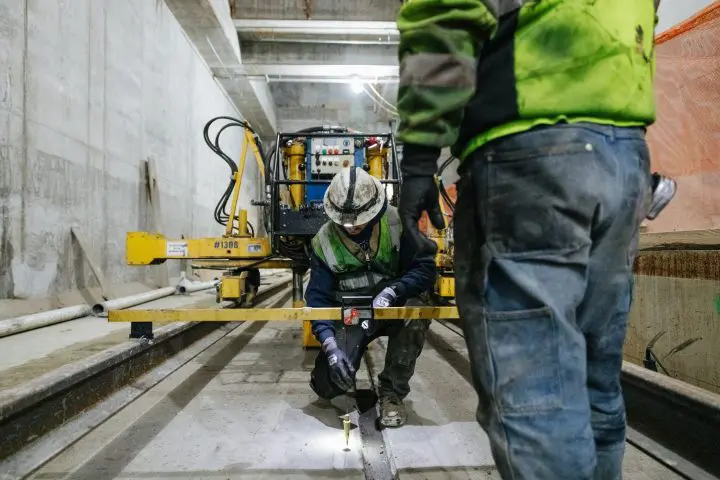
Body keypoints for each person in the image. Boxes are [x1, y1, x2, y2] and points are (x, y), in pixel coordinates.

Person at [395, 1, 669, 478]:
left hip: (530, 151)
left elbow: (444, 12)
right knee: (593, 387)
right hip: (624, 157)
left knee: (536, 399)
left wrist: (419, 157)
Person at [306, 166, 437, 427]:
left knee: (417, 310)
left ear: (375, 209)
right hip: (352, 315)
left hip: (393, 308)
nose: (352, 227)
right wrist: (330, 347)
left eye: (360, 221)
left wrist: (394, 291)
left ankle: (392, 392)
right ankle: (338, 376)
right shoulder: (323, 242)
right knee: (326, 385)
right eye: (346, 222)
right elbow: (318, 300)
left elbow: (425, 269)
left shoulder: (399, 223)